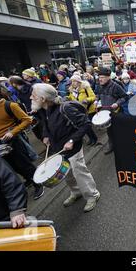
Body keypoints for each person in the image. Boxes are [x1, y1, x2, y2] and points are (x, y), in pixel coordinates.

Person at [31, 84, 101, 213]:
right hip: (59, 148)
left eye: (33, 95)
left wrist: (72, 140)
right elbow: (46, 124)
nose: (31, 97)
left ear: (43, 98)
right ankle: (76, 192)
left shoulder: (66, 108)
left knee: (79, 172)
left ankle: (92, 195)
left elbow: (86, 124)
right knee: (66, 174)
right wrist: (46, 136)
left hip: (72, 147)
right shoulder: (44, 109)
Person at [0, 83, 44, 200]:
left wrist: (12, 132)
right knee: (10, 166)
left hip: (13, 140)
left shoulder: (10, 105)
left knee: (24, 164)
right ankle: (28, 179)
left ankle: (38, 183)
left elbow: (27, 120)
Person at [97, 68, 128, 154]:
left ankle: (123, 144)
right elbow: (98, 95)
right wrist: (97, 100)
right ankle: (112, 145)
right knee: (109, 131)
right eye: (99, 77)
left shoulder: (116, 86)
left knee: (119, 130)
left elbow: (125, 97)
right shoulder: (99, 85)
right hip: (105, 113)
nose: (100, 79)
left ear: (108, 77)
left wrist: (117, 103)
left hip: (116, 113)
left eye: (102, 77)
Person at [68, 75, 98, 146]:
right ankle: (91, 138)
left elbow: (93, 97)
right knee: (84, 126)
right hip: (79, 110)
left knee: (87, 126)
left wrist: (87, 100)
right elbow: (71, 98)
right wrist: (67, 98)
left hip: (88, 109)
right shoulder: (72, 90)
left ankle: (94, 138)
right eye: (72, 81)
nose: (73, 83)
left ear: (79, 81)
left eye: (74, 81)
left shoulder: (85, 87)